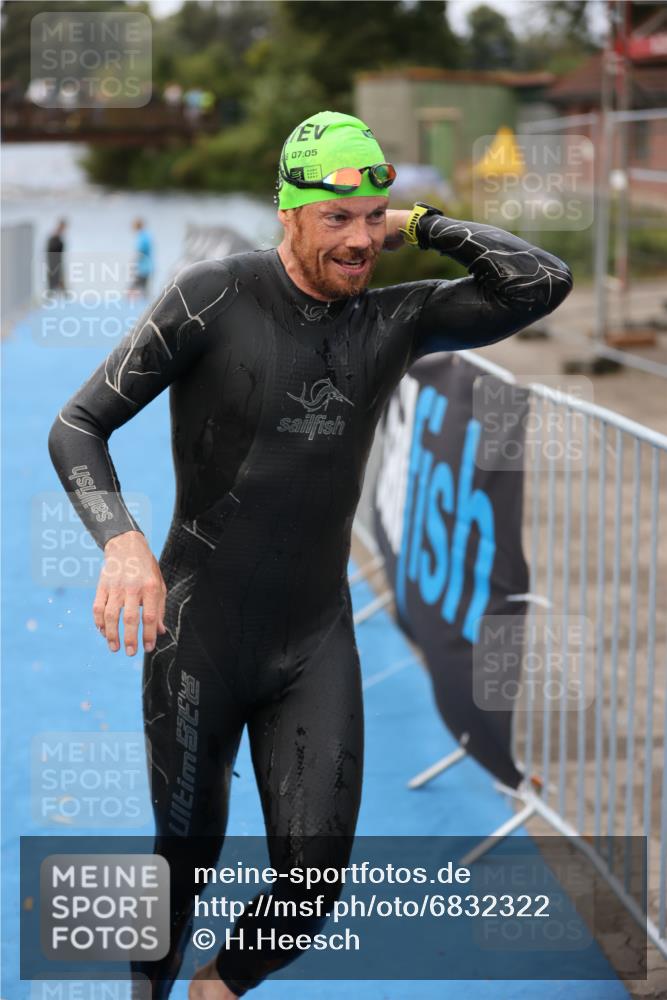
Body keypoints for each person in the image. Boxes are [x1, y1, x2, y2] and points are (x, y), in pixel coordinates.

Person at [47, 110, 573, 999]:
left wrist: (426, 223)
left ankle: (217, 987)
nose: (361, 240)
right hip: (200, 630)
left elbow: (540, 283)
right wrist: (123, 545)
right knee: (182, 863)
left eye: (374, 219)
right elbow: (78, 425)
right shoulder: (214, 295)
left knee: (313, 884)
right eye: (337, 219)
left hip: (312, 639)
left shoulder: (396, 321)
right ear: (287, 212)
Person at [128, 217, 154, 299]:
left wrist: (131, 265)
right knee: (144, 292)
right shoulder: (146, 236)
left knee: (131, 290)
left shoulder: (142, 237)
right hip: (148, 268)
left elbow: (139, 253)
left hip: (142, 269)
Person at [45, 218, 67, 294]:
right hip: (53, 262)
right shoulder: (54, 237)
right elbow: (51, 250)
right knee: (54, 279)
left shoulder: (58, 237)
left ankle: (63, 294)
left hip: (57, 261)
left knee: (58, 279)